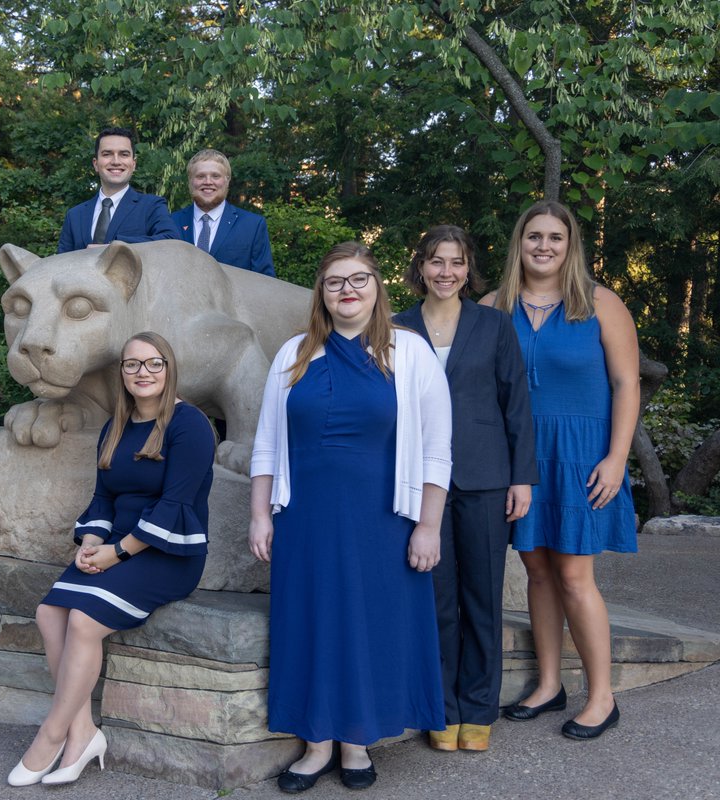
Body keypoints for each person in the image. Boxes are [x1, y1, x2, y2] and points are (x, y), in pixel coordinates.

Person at [249, 242, 451, 793]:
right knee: (312, 622)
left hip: (382, 520)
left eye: (359, 279)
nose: (347, 290)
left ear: (377, 287)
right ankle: (316, 745)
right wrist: (260, 516)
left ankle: (357, 741)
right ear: (321, 291)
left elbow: (437, 449)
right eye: (335, 281)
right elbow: (267, 443)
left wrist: (428, 525)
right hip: (306, 517)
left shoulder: (410, 353)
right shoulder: (293, 352)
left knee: (368, 624)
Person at [7, 332, 215, 787]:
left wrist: (117, 553)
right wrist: (91, 542)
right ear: (121, 373)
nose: (143, 373)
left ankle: (52, 733)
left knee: (83, 620)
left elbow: (174, 505)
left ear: (169, 367)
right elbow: (102, 497)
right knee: (49, 613)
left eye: (153, 363)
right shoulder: (116, 425)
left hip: (167, 550)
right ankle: (83, 732)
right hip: (115, 544)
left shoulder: (189, 424)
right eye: (132, 365)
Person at [486, 200, 639, 740]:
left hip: (581, 457)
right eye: (534, 237)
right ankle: (549, 685)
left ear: (570, 245)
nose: (544, 246)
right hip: (519, 460)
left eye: (555, 237)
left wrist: (617, 458)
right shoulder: (492, 306)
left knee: (575, 576)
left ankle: (603, 697)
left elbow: (626, 384)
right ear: (519, 243)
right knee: (538, 572)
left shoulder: (600, 304)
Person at [395, 225, 538, 752]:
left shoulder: (495, 326)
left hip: (484, 478)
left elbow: (516, 404)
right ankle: (443, 709)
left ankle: (479, 709)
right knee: (436, 600)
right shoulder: (395, 327)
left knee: (483, 599)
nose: (446, 272)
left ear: (468, 267)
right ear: (420, 268)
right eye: (436, 262)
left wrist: (521, 477)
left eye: (456, 262)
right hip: (419, 482)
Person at [56, 127, 178, 253]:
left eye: (124, 154)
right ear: (95, 164)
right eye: (107, 154)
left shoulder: (151, 206)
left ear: (134, 164)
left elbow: (171, 241)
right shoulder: (75, 215)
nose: (115, 161)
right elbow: (61, 263)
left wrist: (114, 246)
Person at [170, 149, 275, 276]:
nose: (208, 182)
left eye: (215, 176)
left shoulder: (252, 226)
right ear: (190, 181)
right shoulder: (171, 223)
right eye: (200, 176)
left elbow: (265, 282)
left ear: (227, 181)